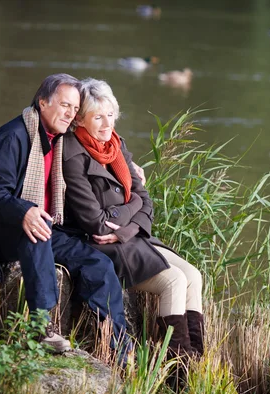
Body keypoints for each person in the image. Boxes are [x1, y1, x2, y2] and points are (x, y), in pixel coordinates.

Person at [0, 73, 129, 356]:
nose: (70, 114)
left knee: (97, 264)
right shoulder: (13, 138)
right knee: (38, 228)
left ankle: (119, 348)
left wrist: (131, 172)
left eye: (74, 108)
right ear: (42, 102)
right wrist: (26, 211)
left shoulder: (58, 139)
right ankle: (41, 326)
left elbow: (100, 145)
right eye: (64, 105)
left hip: (42, 225)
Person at [61, 78, 205, 366]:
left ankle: (195, 363)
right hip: (101, 246)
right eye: (97, 116)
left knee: (194, 275)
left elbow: (144, 199)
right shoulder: (72, 155)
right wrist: (132, 209)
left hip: (127, 238)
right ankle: (175, 371)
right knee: (173, 281)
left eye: (111, 114)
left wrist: (128, 222)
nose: (106, 123)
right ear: (79, 119)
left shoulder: (115, 145)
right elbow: (97, 224)